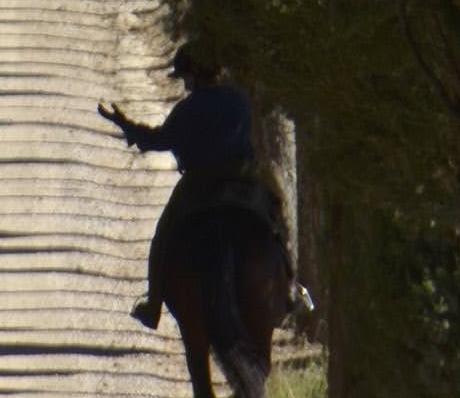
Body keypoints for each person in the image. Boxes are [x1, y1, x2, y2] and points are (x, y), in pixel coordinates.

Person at [100, 44, 307, 330]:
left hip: (201, 179)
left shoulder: (188, 109)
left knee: (164, 234)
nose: (185, 85)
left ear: (196, 76)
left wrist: (127, 126)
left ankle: (154, 304)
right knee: (277, 216)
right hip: (244, 175)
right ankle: (290, 289)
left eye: (186, 78)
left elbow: (159, 141)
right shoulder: (239, 100)